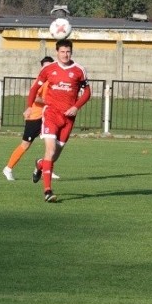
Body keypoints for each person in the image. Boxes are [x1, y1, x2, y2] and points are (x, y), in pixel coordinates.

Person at [24, 39, 91, 203]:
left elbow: (88, 93)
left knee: (54, 155)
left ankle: (40, 164)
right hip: (51, 114)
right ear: (57, 52)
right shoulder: (49, 69)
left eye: (68, 51)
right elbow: (34, 89)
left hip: (68, 118)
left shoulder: (79, 70)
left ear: (71, 52)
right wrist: (29, 107)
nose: (65, 54)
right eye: (62, 51)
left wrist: (76, 107)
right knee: (51, 149)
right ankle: (48, 191)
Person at [2, 56, 60, 181]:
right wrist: (48, 102)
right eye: (45, 66)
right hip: (35, 116)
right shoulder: (39, 81)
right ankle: (8, 168)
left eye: (50, 66)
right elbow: (34, 97)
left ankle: (47, 169)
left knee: (52, 144)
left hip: (48, 116)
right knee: (25, 144)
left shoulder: (54, 81)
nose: (47, 68)